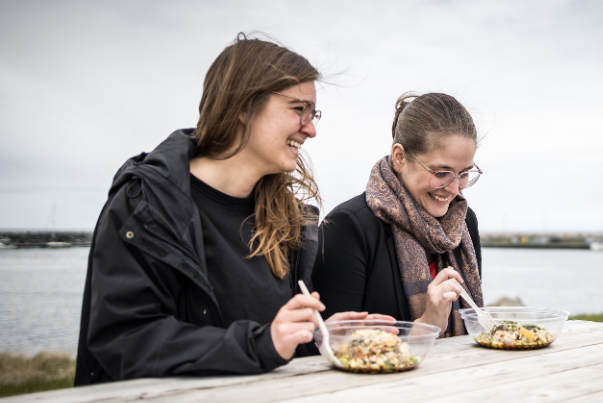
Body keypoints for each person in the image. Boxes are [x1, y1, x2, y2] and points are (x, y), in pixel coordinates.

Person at [75, 34, 390, 386]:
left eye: (312, 113)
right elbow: (123, 340)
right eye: (297, 109)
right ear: (243, 106)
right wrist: (262, 343)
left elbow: (270, 349)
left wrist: (316, 337)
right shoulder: (147, 203)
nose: (311, 130)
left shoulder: (286, 218)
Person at [312, 92, 484, 337]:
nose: (455, 189)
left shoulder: (464, 222)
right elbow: (327, 345)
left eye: (464, 173)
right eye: (441, 173)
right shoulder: (347, 228)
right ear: (400, 157)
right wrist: (427, 326)